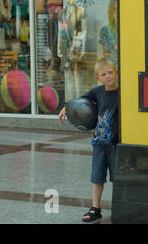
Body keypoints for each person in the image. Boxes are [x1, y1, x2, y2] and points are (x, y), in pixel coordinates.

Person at [59, 58, 119, 222]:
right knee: (97, 178)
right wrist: (66, 108)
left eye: (110, 72)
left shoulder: (122, 93)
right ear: (98, 77)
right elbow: (81, 101)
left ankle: (118, 207)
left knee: (116, 179)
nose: (107, 76)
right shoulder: (97, 92)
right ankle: (96, 208)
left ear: (116, 72)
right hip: (99, 144)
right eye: (103, 74)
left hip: (115, 145)